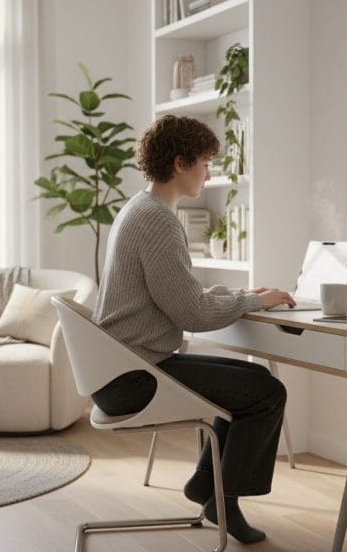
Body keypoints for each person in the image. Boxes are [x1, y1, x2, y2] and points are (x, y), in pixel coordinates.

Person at [91, 114, 296, 544]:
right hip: (135, 376)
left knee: (254, 381)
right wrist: (253, 302)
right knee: (267, 394)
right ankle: (221, 499)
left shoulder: (140, 208)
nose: (209, 173)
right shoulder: (158, 221)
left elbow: (179, 292)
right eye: (205, 163)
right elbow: (194, 315)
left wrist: (239, 292)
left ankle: (208, 488)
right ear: (181, 163)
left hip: (121, 368)